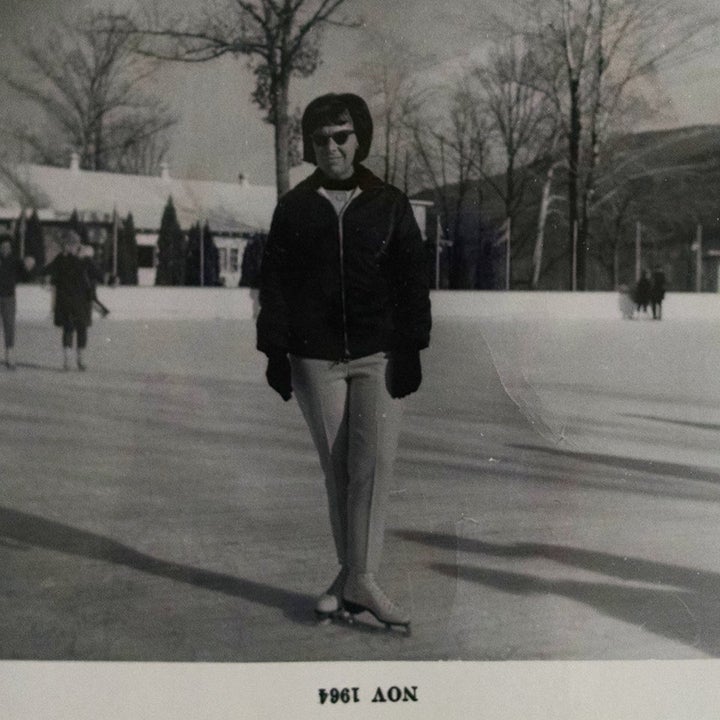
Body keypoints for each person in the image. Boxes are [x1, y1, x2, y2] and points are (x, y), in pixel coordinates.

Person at [256, 93, 431, 631]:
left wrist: (410, 348)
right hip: (314, 358)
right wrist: (275, 350)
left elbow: (412, 281)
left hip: (378, 355)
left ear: (360, 140)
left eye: (342, 137)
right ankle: (357, 579)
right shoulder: (295, 206)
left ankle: (358, 580)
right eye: (321, 139)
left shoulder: (390, 203)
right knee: (340, 473)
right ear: (310, 145)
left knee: (373, 469)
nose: (331, 148)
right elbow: (276, 284)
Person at [41, 230, 93, 371]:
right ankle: (67, 361)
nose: (71, 246)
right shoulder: (61, 259)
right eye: (69, 244)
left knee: (82, 330)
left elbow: (95, 271)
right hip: (66, 301)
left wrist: (111, 279)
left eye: (74, 243)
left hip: (81, 301)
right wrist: (38, 273)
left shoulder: (84, 259)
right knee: (68, 330)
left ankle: (80, 360)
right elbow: (47, 270)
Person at [0, 234, 35, 369]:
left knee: (9, 327)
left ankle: (10, 355)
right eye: (2, 246)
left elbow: (26, 276)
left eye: (7, 246)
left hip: (8, 298)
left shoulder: (15, 261)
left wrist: (29, 267)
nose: (4, 249)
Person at [78, 244, 110, 318]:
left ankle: (104, 311)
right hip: (89, 283)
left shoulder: (87, 261)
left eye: (82, 251)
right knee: (90, 299)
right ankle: (103, 311)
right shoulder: (89, 261)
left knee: (91, 299)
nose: (80, 253)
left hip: (88, 284)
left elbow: (96, 272)